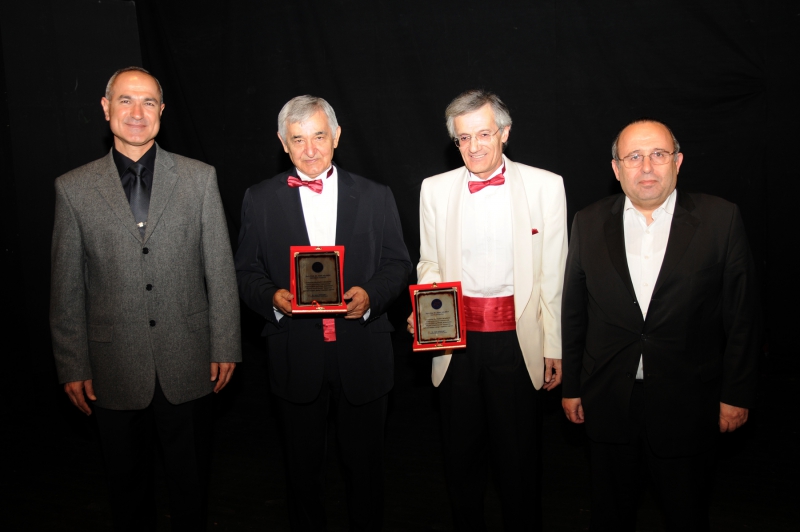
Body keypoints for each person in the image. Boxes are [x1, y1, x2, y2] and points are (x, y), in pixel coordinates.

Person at [50, 66, 241, 530]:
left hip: (190, 362)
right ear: (105, 108)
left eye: (148, 102)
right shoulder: (72, 188)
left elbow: (219, 269)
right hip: (112, 368)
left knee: (191, 490)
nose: (137, 112)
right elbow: (66, 286)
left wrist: (226, 345)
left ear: (162, 110)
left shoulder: (199, 179)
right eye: (125, 100)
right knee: (127, 492)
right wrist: (72, 364)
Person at [561, 119, 761, 531]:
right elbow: (575, 312)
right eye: (634, 157)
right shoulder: (587, 221)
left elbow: (743, 317)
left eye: (658, 154)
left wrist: (736, 394)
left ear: (678, 162)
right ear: (616, 169)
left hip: (690, 404)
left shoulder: (720, 218)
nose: (647, 167)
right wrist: (572, 387)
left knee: (687, 515)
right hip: (608, 401)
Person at [235, 95, 411, 531]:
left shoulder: (375, 195)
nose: (310, 149)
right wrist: (272, 297)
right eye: (298, 139)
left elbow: (398, 264)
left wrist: (370, 295)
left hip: (363, 351)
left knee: (366, 473)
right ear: (283, 143)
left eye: (319, 136)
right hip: (295, 352)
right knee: (302, 475)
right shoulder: (259, 199)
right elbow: (245, 271)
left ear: (336, 136)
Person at [408, 89, 568, 531]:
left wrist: (554, 345)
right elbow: (429, 263)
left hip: (518, 343)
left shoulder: (546, 185)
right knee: (460, 461)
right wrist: (426, 310)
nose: (474, 146)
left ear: (505, 133)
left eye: (483, 134)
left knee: (519, 462)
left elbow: (553, 274)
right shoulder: (434, 189)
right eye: (464, 138)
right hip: (455, 342)